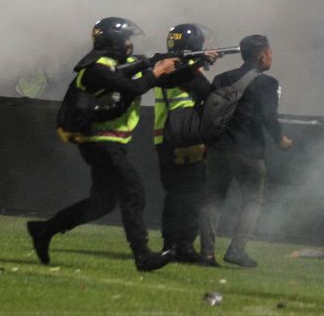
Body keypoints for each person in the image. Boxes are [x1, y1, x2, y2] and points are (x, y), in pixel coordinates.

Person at [27, 17, 179, 272]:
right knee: (133, 192)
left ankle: (44, 229)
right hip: (100, 142)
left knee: (103, 202)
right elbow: (132, 87)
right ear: (115, 42)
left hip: (107, 142)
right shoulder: (98, 69)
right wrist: (156, 70)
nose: (130, 45)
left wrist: (188, 64)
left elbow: (146, 77)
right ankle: (142, 255)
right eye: (127, 40)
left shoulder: (110, 66)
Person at [199, 34, 293, 268]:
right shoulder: (267, 83)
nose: (272, 57)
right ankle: (237, 250)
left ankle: (207, 254)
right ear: (262, 55)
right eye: (270, 53)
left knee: (213, 199)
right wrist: (279, 139)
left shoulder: (222, 78)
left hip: (218, 148)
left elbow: (207, 111)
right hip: (248, 150)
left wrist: (206, 142)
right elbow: (269, 116)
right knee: (253, 200)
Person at [153, 24, 218, 263]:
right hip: (183, 140)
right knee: (189, 195)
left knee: (178, 195)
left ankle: (174, 245)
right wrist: (200, 64)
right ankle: (180, 246)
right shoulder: (179, 67)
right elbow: (207, 91)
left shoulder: (171, 65)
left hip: (168, 138)